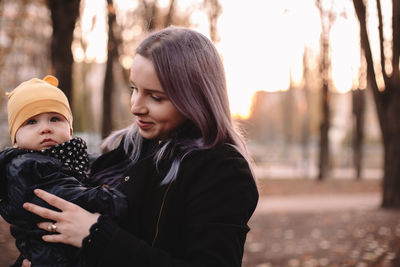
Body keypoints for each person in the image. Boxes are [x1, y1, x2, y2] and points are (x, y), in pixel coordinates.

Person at [23, 26, 259, 267]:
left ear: (195, 97)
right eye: (134, 89)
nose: (136, 106)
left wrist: (95, 236)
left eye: (156, 97)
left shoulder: (221, 168)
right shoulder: (128, 148)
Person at [0, 75, 127, 266]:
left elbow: (93, 168)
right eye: (31, 122)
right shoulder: (26, 167)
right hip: (53, 258)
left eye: (54, 119)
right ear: (15, 140)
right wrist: (110, 198)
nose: (45, 128)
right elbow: (67, 197)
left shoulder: (71, 157)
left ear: (69, 129)